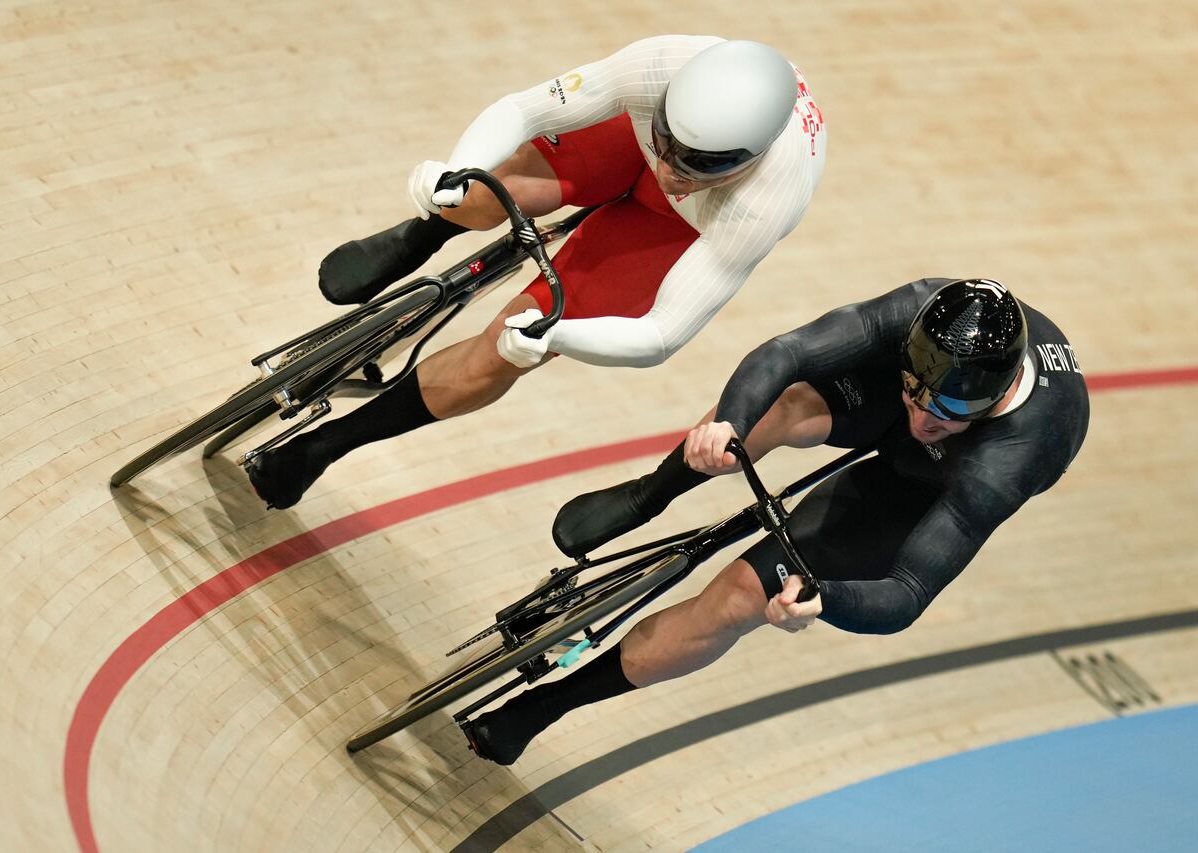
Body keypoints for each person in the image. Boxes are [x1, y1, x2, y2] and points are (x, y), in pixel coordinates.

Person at [463, 278, 1090, 765]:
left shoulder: (1008, 461)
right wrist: (728, 422)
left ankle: (542, 707)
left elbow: (908, 593)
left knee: (739, 597)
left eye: (947, 410)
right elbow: (787, 351)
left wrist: (823, 600)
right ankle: (650, 494)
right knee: (783, 405)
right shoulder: (921, 313)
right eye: (915, 390)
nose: (923, 418)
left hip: (926, 488)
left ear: (994, 398)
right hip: (884, 409)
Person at [247, 35, 827, 509]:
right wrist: (454, 171)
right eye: (670, 145)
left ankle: (326, 445)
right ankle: (423, 233)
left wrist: (557, 334)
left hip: (688, 225)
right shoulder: (657, 67)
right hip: (630, 136)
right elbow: (526, 109)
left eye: (698, 163)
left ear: (748, 159)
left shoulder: (764, 205)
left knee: (503, 350)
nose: (673, 170)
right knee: (483, 190)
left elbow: (662, 333)